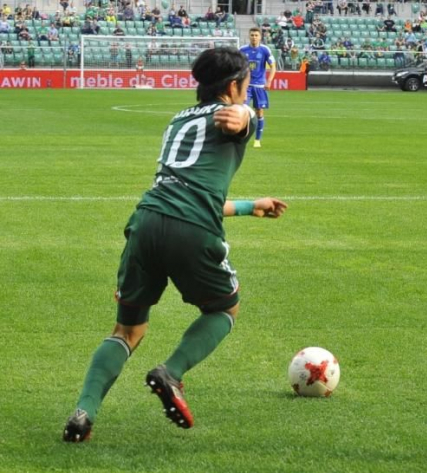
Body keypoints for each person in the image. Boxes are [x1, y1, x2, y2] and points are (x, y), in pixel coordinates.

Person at [62, 47, 288, 443]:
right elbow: (241, 119)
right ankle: (172, 372)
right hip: (192, 228)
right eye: (245, 85)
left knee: (127, 330)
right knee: (224, 309)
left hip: (146, 222)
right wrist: (243, 116)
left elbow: (188, 189)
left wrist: (251, 206)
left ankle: (84, 411)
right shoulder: (238, 112)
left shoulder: (177, 120)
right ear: (233, 87)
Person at [240, 27, 276, 149]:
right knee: (242, 110)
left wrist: (269, 81)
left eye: (256, 35)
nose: (254, 37)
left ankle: (257, 140)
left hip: (260, 86)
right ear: (249, 36)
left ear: (260, 37)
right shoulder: (242, 50)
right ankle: (241, 138)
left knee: (259, 112)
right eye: (252, 35)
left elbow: (273, 66)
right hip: (246, 86)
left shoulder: (265, 50)